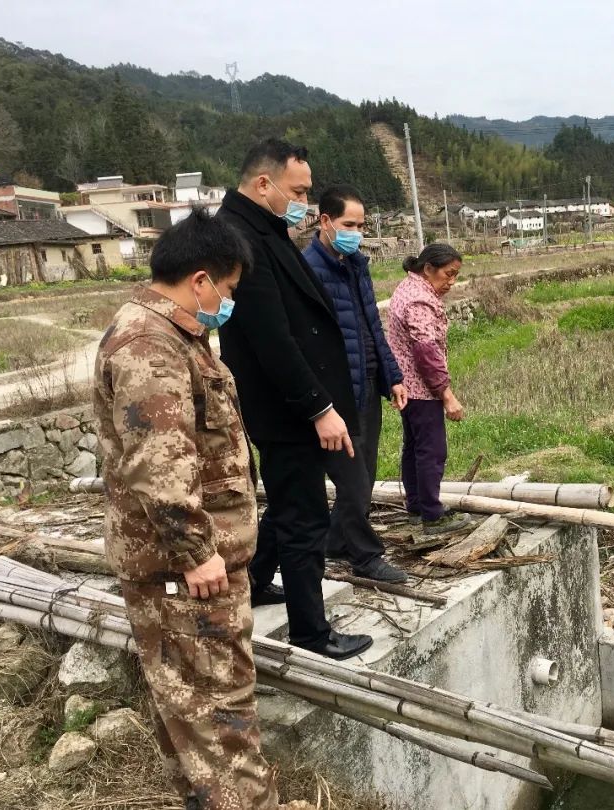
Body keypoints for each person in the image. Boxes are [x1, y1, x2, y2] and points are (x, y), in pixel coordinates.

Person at [93, 208, 284, 809]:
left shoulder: (171, 335)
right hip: (188, 573)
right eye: (226, 290)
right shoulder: (150, 344)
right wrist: (197, 553)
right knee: (220, 716)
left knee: (193, 716)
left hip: (188, 566)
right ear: (200, 279)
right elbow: (159, 461)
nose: (227, 302)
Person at [217, 139, 372, 661]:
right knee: (305, 516)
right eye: (299, 191)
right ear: (264, 184)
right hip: (286, 410)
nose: (305, 201)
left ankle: (258, 581)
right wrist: (319, 408)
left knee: (289, 507)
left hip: (289, 403)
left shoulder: (264, 228)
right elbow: (272, 340)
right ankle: (312, 632)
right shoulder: (242, 239)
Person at [303, 184, 409, 583]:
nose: (357, 232)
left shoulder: (357, 265)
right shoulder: (308, 271)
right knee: (353, 478)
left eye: (361, 225)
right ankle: (366, 556)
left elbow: (371, 327)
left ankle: (335, 541)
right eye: (349, 224)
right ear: (325, 221)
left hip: (366, 385)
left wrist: (392, 376)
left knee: (365, 468)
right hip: (336, 394)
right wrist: (320, 404)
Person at [386, 244, 471, 535]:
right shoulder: (420, 300)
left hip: (405, 387)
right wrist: (447, 395)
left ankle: (417, 507)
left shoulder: (408, 288)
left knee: (414, 448)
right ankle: (433, 516)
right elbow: (426, 351)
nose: (451, 282)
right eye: (448, 274)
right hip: (420, 389)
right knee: (432, 451)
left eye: (455, 276)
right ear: (428, 269)